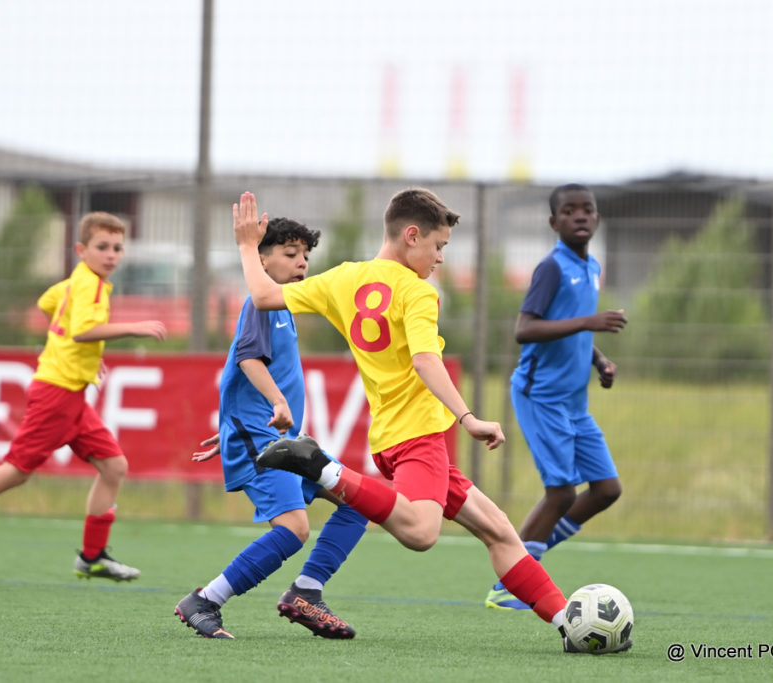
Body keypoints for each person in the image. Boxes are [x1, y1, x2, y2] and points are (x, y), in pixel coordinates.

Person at [232, 189, 591, 654]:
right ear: (412, 235)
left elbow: (262, 295)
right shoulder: (417, 291)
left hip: (389, 438)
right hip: (419, 435)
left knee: (498, 529)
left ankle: (569, 625)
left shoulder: (344, 278)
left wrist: (247, 245)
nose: (440, 258)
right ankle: (323, 467)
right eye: (439, 246)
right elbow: (425, 360)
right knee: (422, 533)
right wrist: (468, 417)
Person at [0, 211, 167, 581]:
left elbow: (49, 303)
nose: (111, 254)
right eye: (102, 247)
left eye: (117, 248)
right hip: (57, 394)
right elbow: (82, 330)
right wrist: (135, 327)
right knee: (17, 471)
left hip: (72, 394)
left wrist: (83, 356)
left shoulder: (78, 280)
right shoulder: (92, 286)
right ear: (81, 250)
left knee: (114, 466)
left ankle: (92, 556)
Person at [174, 217, 368, 640]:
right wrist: (272, 406)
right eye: (290, 253)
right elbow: (247, 358)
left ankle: (306, 593)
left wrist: (232, 425)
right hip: (263, 439)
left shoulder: (282, 307)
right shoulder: (258, 304)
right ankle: (205, 600)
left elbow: (239, 375)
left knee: (358, 502)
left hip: (278, 440)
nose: (302, 263)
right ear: (261, 259)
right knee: (295, 529)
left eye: (305, 256)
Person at [484, 183, 627, 611]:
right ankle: (510, 585)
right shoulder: (551, 268)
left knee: (606, 489)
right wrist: (589, 323)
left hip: (574, 403)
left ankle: (526, 564)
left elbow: (573, 327)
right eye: (569, 211)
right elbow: (525, 329)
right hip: (541, 396)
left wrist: (599, 361)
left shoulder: (592, 266)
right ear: (553, 222)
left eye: (587, 210)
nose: (580, 216)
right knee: (561, 493)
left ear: (597, 218)